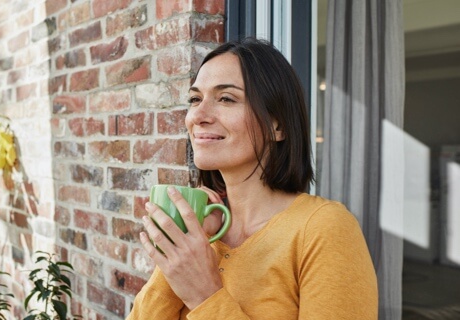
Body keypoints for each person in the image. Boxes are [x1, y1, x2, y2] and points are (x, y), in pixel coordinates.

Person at [127, 38, 378, 319]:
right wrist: (180, 250)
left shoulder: (323, 229)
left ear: (277, 125)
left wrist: (204, 295)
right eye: (195, 99)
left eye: (226, 98)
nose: (198, 115)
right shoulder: (206, 232)